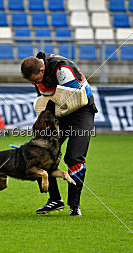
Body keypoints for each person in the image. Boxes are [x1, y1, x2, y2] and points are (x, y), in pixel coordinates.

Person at [20, 52, 98, 216]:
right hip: (60, 110)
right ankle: (55, 200)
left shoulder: (62, 69)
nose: (34, 83)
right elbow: (48, 101)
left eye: (35, 80)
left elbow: (70, 101)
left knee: (74, 158)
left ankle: (74, 206)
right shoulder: (37, 73)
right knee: (40, 153)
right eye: (31, 82)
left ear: (42, 69)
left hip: (81, 111)